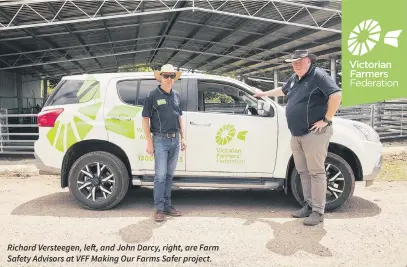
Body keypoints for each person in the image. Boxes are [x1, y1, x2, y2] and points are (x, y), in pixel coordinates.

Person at [254, 50, 342, 226]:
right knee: (303, 172)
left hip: (314, 134)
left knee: (316, 172)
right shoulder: (295, 78)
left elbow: (336, 95)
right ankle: (308, 206)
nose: (296, 64)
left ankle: (318, 212)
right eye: (294, 62)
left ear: (309, 61)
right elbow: (283, 90)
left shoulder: (318, 75)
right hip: (297, 134)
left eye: (300, 61)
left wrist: (326, 119)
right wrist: (263, 94)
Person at [142, 64, 187, 222]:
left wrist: (183, 137)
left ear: (174, 78)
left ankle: (167, 206)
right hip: (160, 140)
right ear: (160, 77)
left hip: (175, 140)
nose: (169, 78)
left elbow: (179, 117)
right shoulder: (152, 95)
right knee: (160, 176)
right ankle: (159, 209)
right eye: (166, 76)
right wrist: (149, 142)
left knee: (169, 175)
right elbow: (145, 119)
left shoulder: (176, 96)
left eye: (172, 76)